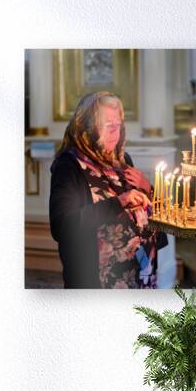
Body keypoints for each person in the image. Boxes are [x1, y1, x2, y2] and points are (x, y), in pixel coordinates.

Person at [49, 91, 165, 288]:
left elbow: (158, 211)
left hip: (141, 274)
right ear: (87, 126)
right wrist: (119, 202)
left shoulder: (122, 160)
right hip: (95, 281)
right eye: (108, 125)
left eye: (118, 125)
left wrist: (147, 187)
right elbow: (63, 226)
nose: (115, 132)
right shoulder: (69, 165)